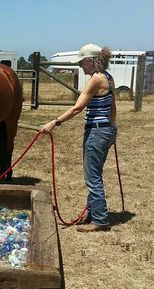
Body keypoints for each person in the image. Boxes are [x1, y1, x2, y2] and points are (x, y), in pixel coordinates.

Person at [40, 43, 117, 232]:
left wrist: (54, 122)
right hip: (105, 130)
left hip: (97, 131)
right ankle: (92, 213)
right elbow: (112, 106)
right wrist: (112, 127)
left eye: (82, 62)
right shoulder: (108, 77)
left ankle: (99, 219)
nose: (81, 66)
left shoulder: (95, 80)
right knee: (95, 174)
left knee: (92, 177)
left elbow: (77, 107)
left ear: (91, 61)